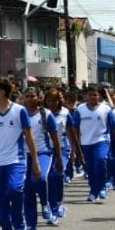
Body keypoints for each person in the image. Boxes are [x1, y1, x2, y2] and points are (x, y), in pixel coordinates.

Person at [0, 77, 39, 230]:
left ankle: (19, 223)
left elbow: (29, 137)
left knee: (14, 190)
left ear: (2, 92)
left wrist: (35, 162)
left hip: (16, 160)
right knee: (1, 201)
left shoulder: (19, 111)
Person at [68, 84, 115, 203]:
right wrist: (75, 146)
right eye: (90, 95)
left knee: (101, 161)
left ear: (99, 96)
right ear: (86, 96)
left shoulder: (106, 109)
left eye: (95, 95)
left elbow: (114, 127)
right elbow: (75, 128)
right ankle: (93, 190)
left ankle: (102, 188)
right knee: (90, 168)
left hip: (101, 141)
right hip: (85, 143)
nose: (93, 97)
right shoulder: (80, 109)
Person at [22, 88, 63, 230]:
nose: (29, 99)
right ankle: (31, 224)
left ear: (38, 98)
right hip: (24, 155)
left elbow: (55, 138)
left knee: (40, 179)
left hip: (43, 152)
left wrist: (59, 159)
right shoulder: (19, 114)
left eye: (32, 96)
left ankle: (45, 204)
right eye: (26, 96)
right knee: (27, 190)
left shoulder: (46, 114)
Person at [43, 87, 72, 221]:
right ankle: (50, 205)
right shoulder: (42, 113)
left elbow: (72, 133)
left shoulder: (66, 113)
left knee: (57, 174)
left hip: (63, 148)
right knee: (47, 177)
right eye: (49, 100)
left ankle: (57, 204)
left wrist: (77, 152)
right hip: (47, 149)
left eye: (54, 101)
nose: (52, 103)